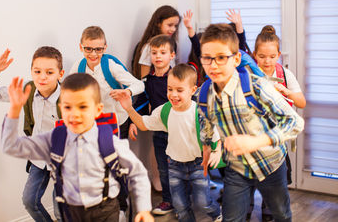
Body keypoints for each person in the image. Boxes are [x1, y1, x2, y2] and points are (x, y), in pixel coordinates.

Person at [0, 73, 154, 222]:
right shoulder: (54, 139)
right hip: (71, 212)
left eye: (83, 107)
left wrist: (144, 209)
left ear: (98, 110)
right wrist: (14, 110)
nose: (74, 114)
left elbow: (138, 173)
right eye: (68, 107)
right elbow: (11, 146)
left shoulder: (109, 141)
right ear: (61, 107)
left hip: (105, 210)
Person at [198, 23, 305, 222]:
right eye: (207, 58)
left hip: (271, 164)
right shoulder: (204, 94)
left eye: (221, 57)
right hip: (237, 168)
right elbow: (207, 121)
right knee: (232, 218)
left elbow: (295, 122)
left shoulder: (257, 86)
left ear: (237, 58)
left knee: (281, 215)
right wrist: (208, 148)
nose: (213, 65)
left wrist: (256, 142)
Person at [116, 64, 222, 222]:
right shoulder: (164, 110)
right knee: (180, 206)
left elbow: (216, 138)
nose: (173, 95)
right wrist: (130, 109)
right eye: (170, 89)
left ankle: (215, 212)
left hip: (198, 164)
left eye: (179, 90)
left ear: (193, 90)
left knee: (202, 202)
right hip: (174, 166)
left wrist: (216, 152)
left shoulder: (199, 112)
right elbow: (143, 124)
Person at [69, 26, 144, 219]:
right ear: (81, 47)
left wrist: (126, 92)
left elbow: (139, 84)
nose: (94, 54)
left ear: (105, 47)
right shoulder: (78, 67)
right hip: (95, 126)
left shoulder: (110, 66)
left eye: (99, 49)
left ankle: (124, 210)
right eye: (89, 49)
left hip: (118, 123)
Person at [0, 47, 64, 221]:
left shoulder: (69, 97)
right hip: (39, 156)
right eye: (37, 71)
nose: (42, 77)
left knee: (61, 211)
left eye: (49, 72)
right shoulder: (28, 90)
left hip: (64, 161)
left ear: (60, 73)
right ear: (31, 72)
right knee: (29, 200)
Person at [246, 25, 307, 221]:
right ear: (255, 54)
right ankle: (246, 206)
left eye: (272, 56)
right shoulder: (248, 75)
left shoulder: (285, 75)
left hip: (275, 139)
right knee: (248, 175)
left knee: (274, 179)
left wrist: (287, 92)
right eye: (262, 56)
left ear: (278, 55)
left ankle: (269, 207)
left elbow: (301, 102)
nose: (267, 61)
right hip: (252, 136)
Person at [130, 34, 176, 215]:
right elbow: (142, 102)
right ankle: (167, 200)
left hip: (179, 131)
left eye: (162, 52)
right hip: (159, 131)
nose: (158, 56)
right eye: (154, 52)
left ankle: (184, 201)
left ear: (171, 55)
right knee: (163, 168)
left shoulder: (176, 76)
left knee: (180, 168)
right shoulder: (147, 81)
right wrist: (135, 122)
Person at [132, 5, 180, 79]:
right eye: (170, 25)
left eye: (175, 26)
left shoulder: (173, 44)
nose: (173, 29)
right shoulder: (149, 46)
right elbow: (144, 78)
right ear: (158, 23)